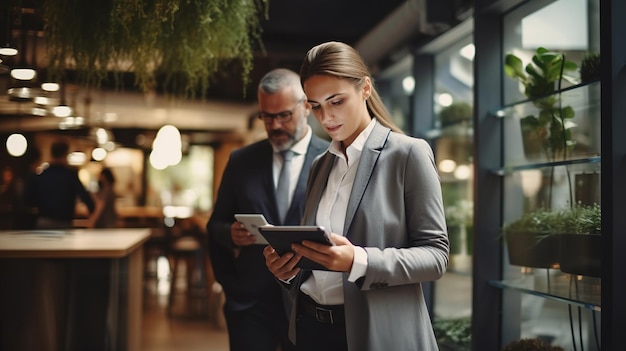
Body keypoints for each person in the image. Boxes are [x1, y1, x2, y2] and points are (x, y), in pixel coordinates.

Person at [263, 41, 449, 351]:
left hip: (376, 334)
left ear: (364, 89)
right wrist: (288, 270)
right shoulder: (320, 165)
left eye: (336, 101)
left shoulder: (408, 154)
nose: (326, 117)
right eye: (316, 105)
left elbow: (436, 256)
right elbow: (315, 258)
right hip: (309, 330)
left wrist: (357, 260)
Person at [207, 68, 329, 351]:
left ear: (307, 106)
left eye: (284, 115)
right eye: (267, 116)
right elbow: (215, 226)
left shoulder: (331, 159)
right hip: (250, 304)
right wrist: (231, 236)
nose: (274, 125)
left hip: (308, 302)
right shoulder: (241, 161)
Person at [26, 140, 96, 229]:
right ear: (65, 155)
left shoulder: (41, 176)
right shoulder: (70, 175)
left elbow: (28, 201)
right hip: (63, 223)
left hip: (43, 222)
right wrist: (92, 212)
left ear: (51, 154)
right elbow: (86, 199)